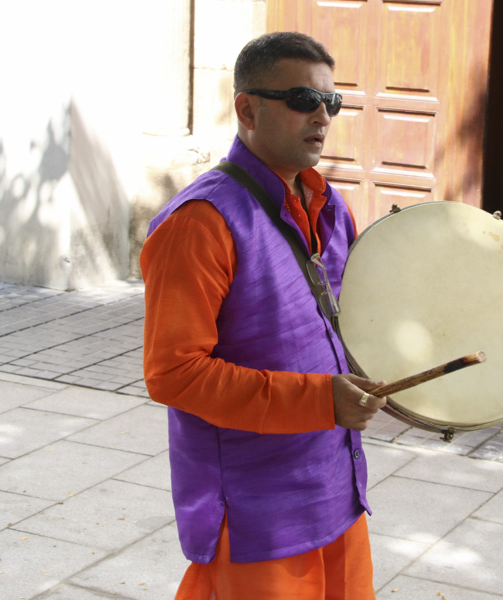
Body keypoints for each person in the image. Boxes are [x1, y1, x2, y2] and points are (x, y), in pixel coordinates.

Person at [140, 32, 389, 599]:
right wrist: (321, 400)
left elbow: (352, 322)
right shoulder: (199, 223)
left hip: (336, 487)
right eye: (303, 99)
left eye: (332, 102)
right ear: (246, 108)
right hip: (257, 512)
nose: (322, 116)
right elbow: (173, 373)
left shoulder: (329, 204)